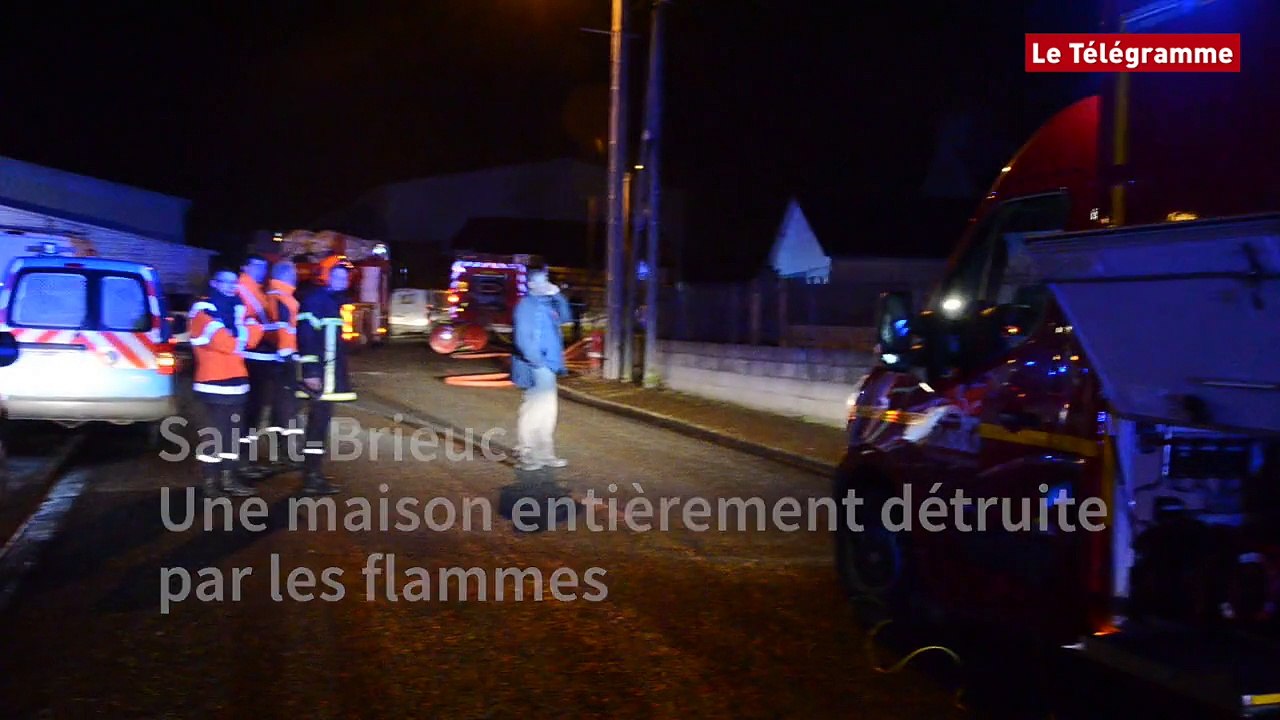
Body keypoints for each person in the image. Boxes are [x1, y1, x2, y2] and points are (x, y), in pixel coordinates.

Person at [188, 267, 263, 497]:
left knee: (232, 435)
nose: (231, 286)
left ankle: (229, 479)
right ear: (215, 283)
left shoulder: (238, 308)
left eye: (234, 283)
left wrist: (239, 336)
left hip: (237, 384)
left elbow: (256, 334)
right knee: (214, 435)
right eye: (225, 282)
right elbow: (225, 342)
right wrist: (242, 335)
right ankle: (211, 483)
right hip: (213, 385)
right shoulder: (202, 311)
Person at [294, 259, 357, 495]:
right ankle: (311, 477)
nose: (342, 282)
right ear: (328, 278)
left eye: (345, 278)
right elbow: (307, 337)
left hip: (328, 377)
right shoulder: (317, 301)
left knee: (319, 426)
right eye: (337, 277)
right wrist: (311, 373)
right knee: (317, 426)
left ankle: (313, 474)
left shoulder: (331, 302)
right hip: (321, 378)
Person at [510, 264, 572, 471]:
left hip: (551, 364)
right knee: (533, 410)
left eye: (546, 280)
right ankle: (528, 453)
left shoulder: (549, 303)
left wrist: (558, 295)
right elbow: (523, 337)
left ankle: (545, 454)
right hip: (537, 365)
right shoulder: (526, 305)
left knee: (548, 411)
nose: (545, 284)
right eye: (541, 280)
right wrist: (537, 362)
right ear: (531, 284)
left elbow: (566, 317)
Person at [264, 259, 304, 466]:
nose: (296, 275)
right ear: (286, 275)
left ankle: (280, 449)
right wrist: (289, 355)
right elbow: (283, 330)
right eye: (294, 272)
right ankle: (290, 452)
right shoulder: (281, 298)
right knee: (288, 407)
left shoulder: (276, 295)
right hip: (285, 359)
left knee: (280, 407)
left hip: (280, 357)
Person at [237, 253, 276, 467]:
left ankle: (247, 459)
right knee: (250, 412)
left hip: (260, 357)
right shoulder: (243, 289)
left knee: (255, 411)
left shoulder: (256, 290)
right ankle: (243, 461)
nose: (261, 271)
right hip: (252, 358)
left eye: (263, 267)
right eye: (256, 267)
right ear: (245, 267)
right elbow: (252, 324)